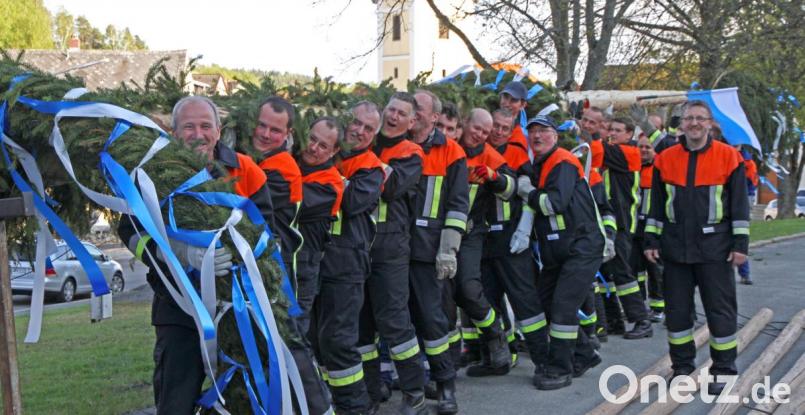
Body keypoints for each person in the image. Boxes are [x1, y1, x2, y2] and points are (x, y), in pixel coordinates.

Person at [118, 96, 273, 413]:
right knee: (175, 402)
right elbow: (130, 231)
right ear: (174, 132)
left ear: (219, 130)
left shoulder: (246, 170)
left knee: (244, 401)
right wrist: (177, 253)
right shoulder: (152, 173)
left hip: (239, 310)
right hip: (178, 308)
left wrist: (240, 256)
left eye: (205, 126)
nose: (198, 134)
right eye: (188, 127)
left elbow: (270, 233)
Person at [643, 100, 749, 395]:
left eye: (700, 118)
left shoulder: (729, 157)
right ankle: (682, 368)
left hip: (716, 248)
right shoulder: (665, 158)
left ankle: (723, 370)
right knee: (677, 313)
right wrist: (651, 239)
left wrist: (740, 244)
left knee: (720, 311)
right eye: (689, 118)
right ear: (681, 124)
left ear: (710, 123)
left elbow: (740, 206)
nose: (694, 123)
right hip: (675, 249)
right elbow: (656, 205)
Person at [251, 97, 333, 415]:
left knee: (292, 346)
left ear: (287, 135)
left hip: (281, 268)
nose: (265, 134)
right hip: (267, 266)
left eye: (275, 130)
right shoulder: (263, 161)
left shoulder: (281, 167)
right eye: (261, 125)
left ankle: (318, 408)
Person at [516, 115, 605, 390]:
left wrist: (528, 192)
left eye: (543, 131)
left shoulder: (562, 161)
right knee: (545, 302)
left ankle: (559, 369)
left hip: (581, 247)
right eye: (533, 132)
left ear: (555, 136)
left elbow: (553, 204)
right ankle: (584, 353)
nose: (537, 136)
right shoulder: (541, 164)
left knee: (563, 307)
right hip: (560, 250)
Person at [359, 93, 430, 414]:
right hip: (356, 247)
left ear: (411, 122)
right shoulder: (368, 144)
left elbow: (390, 187)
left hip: (390, 250)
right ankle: (371, 392)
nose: (394, 116)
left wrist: (361, 159)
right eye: (391, 110)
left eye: (402, 113)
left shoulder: (411, 152)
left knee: (395, 323)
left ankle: (414, 392)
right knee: (361, 326)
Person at [479, 108, 549, 375]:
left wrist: (525, 228)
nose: (498, 131)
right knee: (489, 301)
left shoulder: (517, 155)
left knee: (525, 301)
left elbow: (530, 194)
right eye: (495, 126)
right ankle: (500, 358)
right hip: (483, 239)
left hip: (510, 238)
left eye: (504, 128)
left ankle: (543, 360)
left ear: (512, 132)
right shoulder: (477, 149)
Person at [409, 89, 465, 414]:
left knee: (432, 319)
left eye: (418, 107)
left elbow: (457, 206)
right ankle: (411, 384)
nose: (412, 111)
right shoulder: (395, 144)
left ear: (433, 117)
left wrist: (448, 250)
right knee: (398, 320)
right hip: (393, 248)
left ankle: (446, 384)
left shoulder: (452, 152)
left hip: (428, 251)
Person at [586, 111, 653, 340]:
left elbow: (597, 152)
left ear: (629, 134)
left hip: (622, 223)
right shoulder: (617, 152)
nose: (612, 134)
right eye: (611, 130)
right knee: (608, 272)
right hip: (610, 221)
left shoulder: (629, 152)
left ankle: (642, 319)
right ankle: (614, 320)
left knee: (622, 272)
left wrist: (592, 132)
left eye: (617, 130)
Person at [633, 134, 664, 323]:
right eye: (641, 147)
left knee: (654, 268)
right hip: (636, 225)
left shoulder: (659, 167)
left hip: (653, 226)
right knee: (636, 268)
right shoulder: (634, 166)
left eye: (648, 147)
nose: (643, 150)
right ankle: (640, 305)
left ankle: (658, 307)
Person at [738, 146, 758, 285]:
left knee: (741, 236)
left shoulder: (748, 162)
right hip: (724, 200)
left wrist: (749, 199)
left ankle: (745, 273)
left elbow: (753, 183)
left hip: (742, 199)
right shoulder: (720, 155)